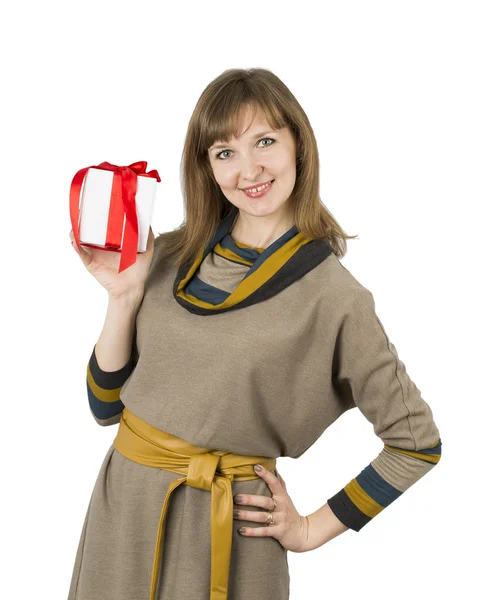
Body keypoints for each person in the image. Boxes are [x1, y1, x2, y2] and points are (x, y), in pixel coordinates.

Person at [67, 68, 442, 600]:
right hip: (123, 512)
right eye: (225, 152)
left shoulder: (335, 298)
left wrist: (310, 528)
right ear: (207, 167)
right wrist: (123, 296)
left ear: (298, 145)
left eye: (264, 141)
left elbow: (416, 444)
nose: (250, 169)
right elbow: (106, 408)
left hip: (231, 534)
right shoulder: (169, 254)